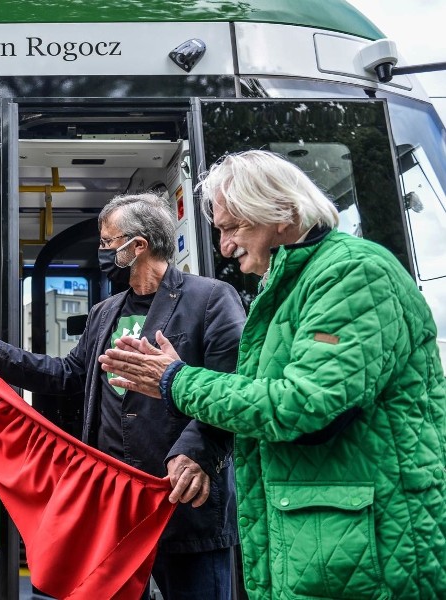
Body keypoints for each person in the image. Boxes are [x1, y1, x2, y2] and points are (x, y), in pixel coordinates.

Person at [100, 150, 446, 598]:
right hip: (328, 545)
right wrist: (200, 444)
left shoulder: (354, 273)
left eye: (232, 227)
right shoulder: (284, 289)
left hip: (368, 554)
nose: (224, 246)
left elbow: (303, 406)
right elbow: (256, 399)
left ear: (282, 213)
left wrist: (174, 380)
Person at [0, 193, 246, 599]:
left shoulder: (210, 298)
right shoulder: (104, 312)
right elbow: (69, 375)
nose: (101, 250)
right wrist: (0, 354)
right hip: (115, 506)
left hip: (182, 501)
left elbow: (230, 386)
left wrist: (196, 453)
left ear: (138, 246)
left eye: (107, 241)